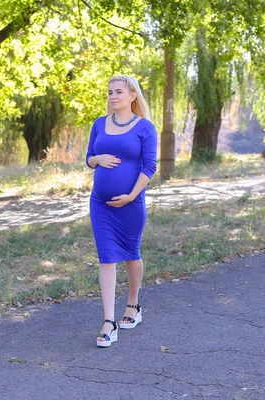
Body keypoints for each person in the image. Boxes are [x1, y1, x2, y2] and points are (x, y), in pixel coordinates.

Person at [85, 74, 158, 347]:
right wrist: (98, 159)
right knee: (106, 257)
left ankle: (133, 304)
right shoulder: (99, 124)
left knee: (131, 253)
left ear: (132, 96)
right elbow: (89, 159)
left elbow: (149, 167)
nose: (113, 96)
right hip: (100, 203)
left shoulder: (144, 128)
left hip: (132, 202)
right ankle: (108, 321)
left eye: (118, 92)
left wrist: (131, 196)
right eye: (109, 92)